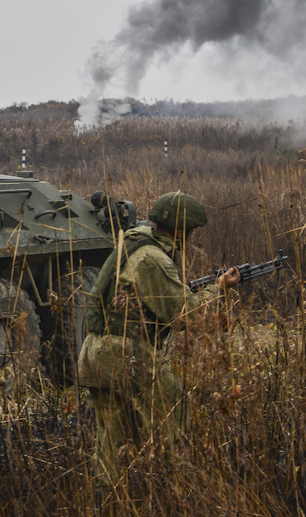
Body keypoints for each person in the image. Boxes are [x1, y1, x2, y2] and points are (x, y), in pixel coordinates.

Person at [75, 191, 240, 489]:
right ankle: (179, 488)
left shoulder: (138, 237)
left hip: (97, 351)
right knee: (175, 411)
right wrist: (218, 289)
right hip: (127, 354)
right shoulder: (152, 258)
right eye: (189, 231)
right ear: (181, 230)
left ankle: (106, 501)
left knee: (112, 443)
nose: (189, 238)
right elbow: (185, 316)